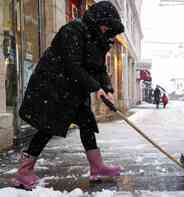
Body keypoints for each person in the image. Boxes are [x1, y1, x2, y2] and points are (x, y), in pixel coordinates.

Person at [13, 1, 125, 190]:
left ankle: (97, 167)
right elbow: (73, 65)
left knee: (87, 124)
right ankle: (24, 171)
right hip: (53, 86)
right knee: (47, 127)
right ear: (97, 20)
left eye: (109, 26)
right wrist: (95, 87)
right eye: (105, 23)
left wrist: (107, 89)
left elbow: (99, 68)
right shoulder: (73, 30)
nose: (106, 28)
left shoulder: (99, 39)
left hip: (74, 89)